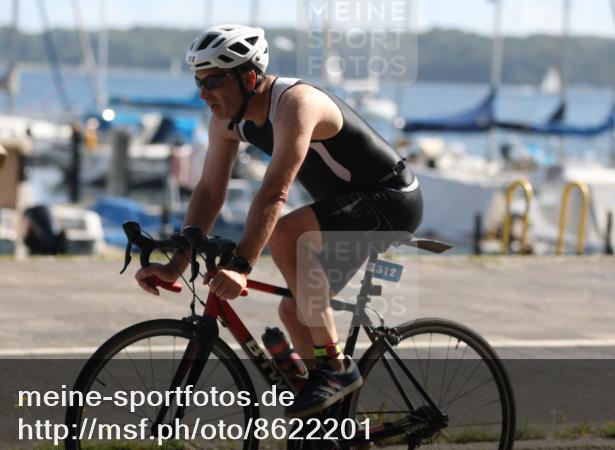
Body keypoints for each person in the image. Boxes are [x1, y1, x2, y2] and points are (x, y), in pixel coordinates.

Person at [135, 24, 423, 419]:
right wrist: (176, 265)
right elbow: (208, 192)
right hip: (345, 207)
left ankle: (335, 368)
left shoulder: (295, 104)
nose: (204, 94)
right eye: (199, 82)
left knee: (288, 233)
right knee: (294, 312)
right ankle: (333, 431)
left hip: (392, 200)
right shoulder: (226, 118)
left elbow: (275, 193)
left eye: (214, 81)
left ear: (249, 77)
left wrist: (240, 266)